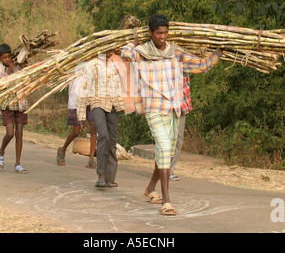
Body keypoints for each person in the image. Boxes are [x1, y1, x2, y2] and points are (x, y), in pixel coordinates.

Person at [121, 14, 223, 215]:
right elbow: (125, 54)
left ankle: (150, 189)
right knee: (165, 147)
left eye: (166, 32)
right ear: (150, 33)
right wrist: (133, 42)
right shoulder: (141, 52)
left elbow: (200, 65)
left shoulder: (176, 52)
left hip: (174, 107)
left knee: (165, 152)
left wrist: (219, 53)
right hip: (154, 107)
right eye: (159, 33)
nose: (163, 36)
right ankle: (166, 201)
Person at [77, 51, 126, 187]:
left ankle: (110, 177)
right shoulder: (92, 65)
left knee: (112, 139)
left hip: (114, 103)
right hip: (97, 102)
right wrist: (81, 115)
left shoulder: (118, 63)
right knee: (103, 135)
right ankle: (101, 174)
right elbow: (84, 89)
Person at [0, 43, 29, 174]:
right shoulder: (0, 69)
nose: (7, 60)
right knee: (10, 133)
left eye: (9, 57)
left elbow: (27, 79)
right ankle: (1, 151)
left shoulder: (18, 66)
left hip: (20, 102)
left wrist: (25, 67)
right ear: (0, 59)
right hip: (7, 104)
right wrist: (9, 71)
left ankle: (18, 164)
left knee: (20, 133)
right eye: (4, 58)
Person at [57, 74, 97, 168]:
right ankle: (62, 149)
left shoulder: (94, 63)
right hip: (76, 100)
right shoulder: (73, 65)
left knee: (94, 127)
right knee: (76, 132)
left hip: (91, 99)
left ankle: (91, 159)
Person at [169, 76, 191, 181]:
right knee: (166, 139)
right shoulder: (165, 64)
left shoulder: (186, 65)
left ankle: (169, 170)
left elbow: (200, 66)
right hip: (167, 107)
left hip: (181, 106)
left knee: (178, 139)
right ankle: (163, 170)